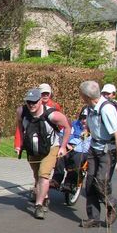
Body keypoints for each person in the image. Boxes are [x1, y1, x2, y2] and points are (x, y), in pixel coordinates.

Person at [15, 88, 71, 220]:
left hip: (51, 147)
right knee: (37, 176)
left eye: (34, 102)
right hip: (33, 148)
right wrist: (19, 144)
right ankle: (44, 198)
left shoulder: (52, 115)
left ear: (40, 101)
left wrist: (63, 147)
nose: (31, 105)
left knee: (43, 174)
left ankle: (38, 205)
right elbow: (19, 126)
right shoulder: (21, 111)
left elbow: (68, 126)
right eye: (29, 102)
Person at [79, 80, 117, 228]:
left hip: (107, 151)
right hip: (94, 147)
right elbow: (92, 125)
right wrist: (87, 131)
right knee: (90, 184)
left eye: (81, 95)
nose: (80, 97)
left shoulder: (107, 109)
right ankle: (93, 218)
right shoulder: (89, 107)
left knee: (101, 182)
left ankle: (112, 204)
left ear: (87, 96)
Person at [50, 109, 90, 190]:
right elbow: (62, 134)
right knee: (60, 157)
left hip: (83, 150)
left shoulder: (95, 128)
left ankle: (70, 183)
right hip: (70, 147)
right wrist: (66, 145)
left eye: (86, 118)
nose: (83, 120)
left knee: (76, 160)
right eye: (82, 118)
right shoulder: (74, 124)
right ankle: (56, 180)